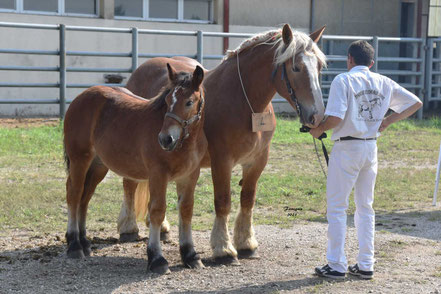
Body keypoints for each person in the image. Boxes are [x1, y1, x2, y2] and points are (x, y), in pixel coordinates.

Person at [310, 40, 423, 279]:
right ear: (371, 63)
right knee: (365, 207)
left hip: (347, 147)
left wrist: (318, 129)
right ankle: (365, 263)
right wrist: (389, 121)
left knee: (338, 207)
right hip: (370, 147)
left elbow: (336, 118)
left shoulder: (344, 80)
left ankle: (337, 264)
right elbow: (415, 103)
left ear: (349, 59)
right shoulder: (383, 81)